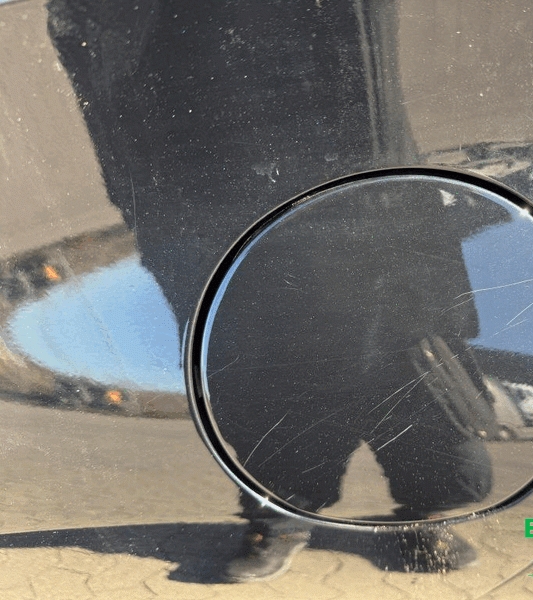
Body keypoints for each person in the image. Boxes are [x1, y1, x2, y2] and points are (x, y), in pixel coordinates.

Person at [47, 0, 497, 580]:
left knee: (403, 335)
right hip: (196, 123)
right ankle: (280, 509)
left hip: (342, 121)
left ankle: (428, 508)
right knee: (255, 334)